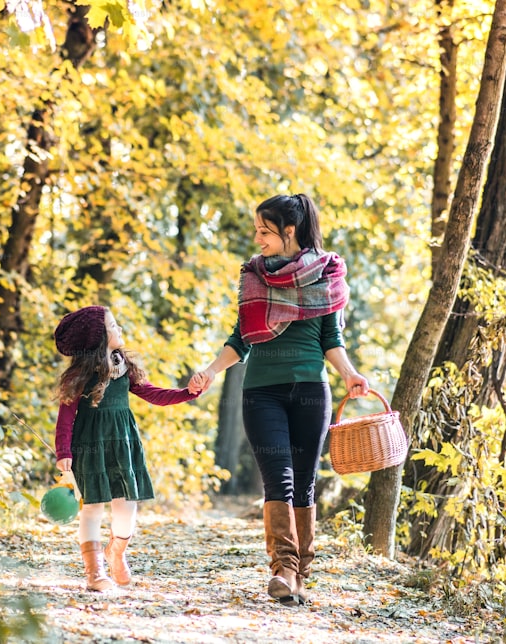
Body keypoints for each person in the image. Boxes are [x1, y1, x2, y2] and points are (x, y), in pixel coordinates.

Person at [188, 193, 369, 606]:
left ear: (290, 231)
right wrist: (211, 371)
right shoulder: (253, 275)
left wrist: (350, 374)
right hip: (261, 392)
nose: (258, 238)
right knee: (279, 480)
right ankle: (283, 569)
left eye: (265, 231)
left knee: (304, 484)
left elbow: (331, 340)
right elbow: (241, 339)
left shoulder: (327, 274)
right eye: (257, 229)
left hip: (310, 391)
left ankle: (300, 572)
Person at [53, 305, 200, 592]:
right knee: (92, 507)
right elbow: (66, 415)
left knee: (126, 507)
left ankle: (116, 552)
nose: (119, 329)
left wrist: (187, 393)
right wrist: (64, 451)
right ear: (97, 336)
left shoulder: (125, 368)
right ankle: (94, 572)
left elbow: (153, 393)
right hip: (89, 445)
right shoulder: (79, 376)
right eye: (113, 325)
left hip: (123, 443)